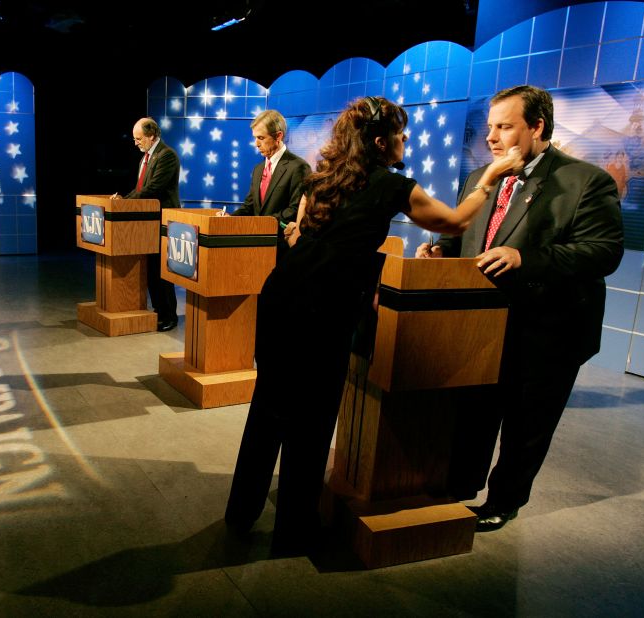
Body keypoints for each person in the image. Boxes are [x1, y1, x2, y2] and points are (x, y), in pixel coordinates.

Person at [224, 96, 525, 556]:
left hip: (281, 300)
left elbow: (300, 234)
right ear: (382, 142)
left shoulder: (319, 179)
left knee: (268, 410)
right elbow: (454, 222)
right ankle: (294, 532)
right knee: (311, 423)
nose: (407, 140)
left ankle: (240, 515)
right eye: (402, 134)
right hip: (320, 314)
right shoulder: (391, 186)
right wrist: (489, 177)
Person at [415, 85, 624, 532]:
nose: (491, 137)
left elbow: (603, 252)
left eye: (504, 127)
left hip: (549, 330)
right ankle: (459, 486)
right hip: (482, 326)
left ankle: (504, 500)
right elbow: (465, 239)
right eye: (490, 126)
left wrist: (525, 259)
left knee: (526, 426)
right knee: (473, 413)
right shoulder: (480, 178)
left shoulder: (585, 180)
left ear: (537, 127)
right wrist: (440, 254)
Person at [112, 117, 180, 332]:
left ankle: (169, 315)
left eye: (139, 138)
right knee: (151, 270)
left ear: (151, 136)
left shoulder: (166, 155)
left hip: (161, 221)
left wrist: (126, 202)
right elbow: (140, 188)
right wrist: (123, 201)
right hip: (147, 222)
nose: (136, 143)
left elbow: (153, 189)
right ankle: (159, 311)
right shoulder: (146, 157)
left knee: (161, 270)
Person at [232, 110, 311, 258]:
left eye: (261, 138)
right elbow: (250, 206)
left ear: (278, 136)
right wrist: (228, 220)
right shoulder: (258, 169)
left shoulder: (299, 167)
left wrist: (262, 225)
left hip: (281, 250)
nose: (256, 144)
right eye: (255, 138)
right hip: (255, 248)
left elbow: (295, 210)